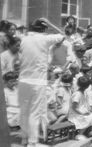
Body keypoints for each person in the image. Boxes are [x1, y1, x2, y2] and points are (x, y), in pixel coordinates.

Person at [18, 18, 65, 146]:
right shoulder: (45, 39)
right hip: (38, 82)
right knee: (34, 113)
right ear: (44, 29)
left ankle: (24, 138)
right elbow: (63, 35)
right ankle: (32, 142)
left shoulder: (23, 38)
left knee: (24, 111)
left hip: (23, 80)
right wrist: (50, 23)